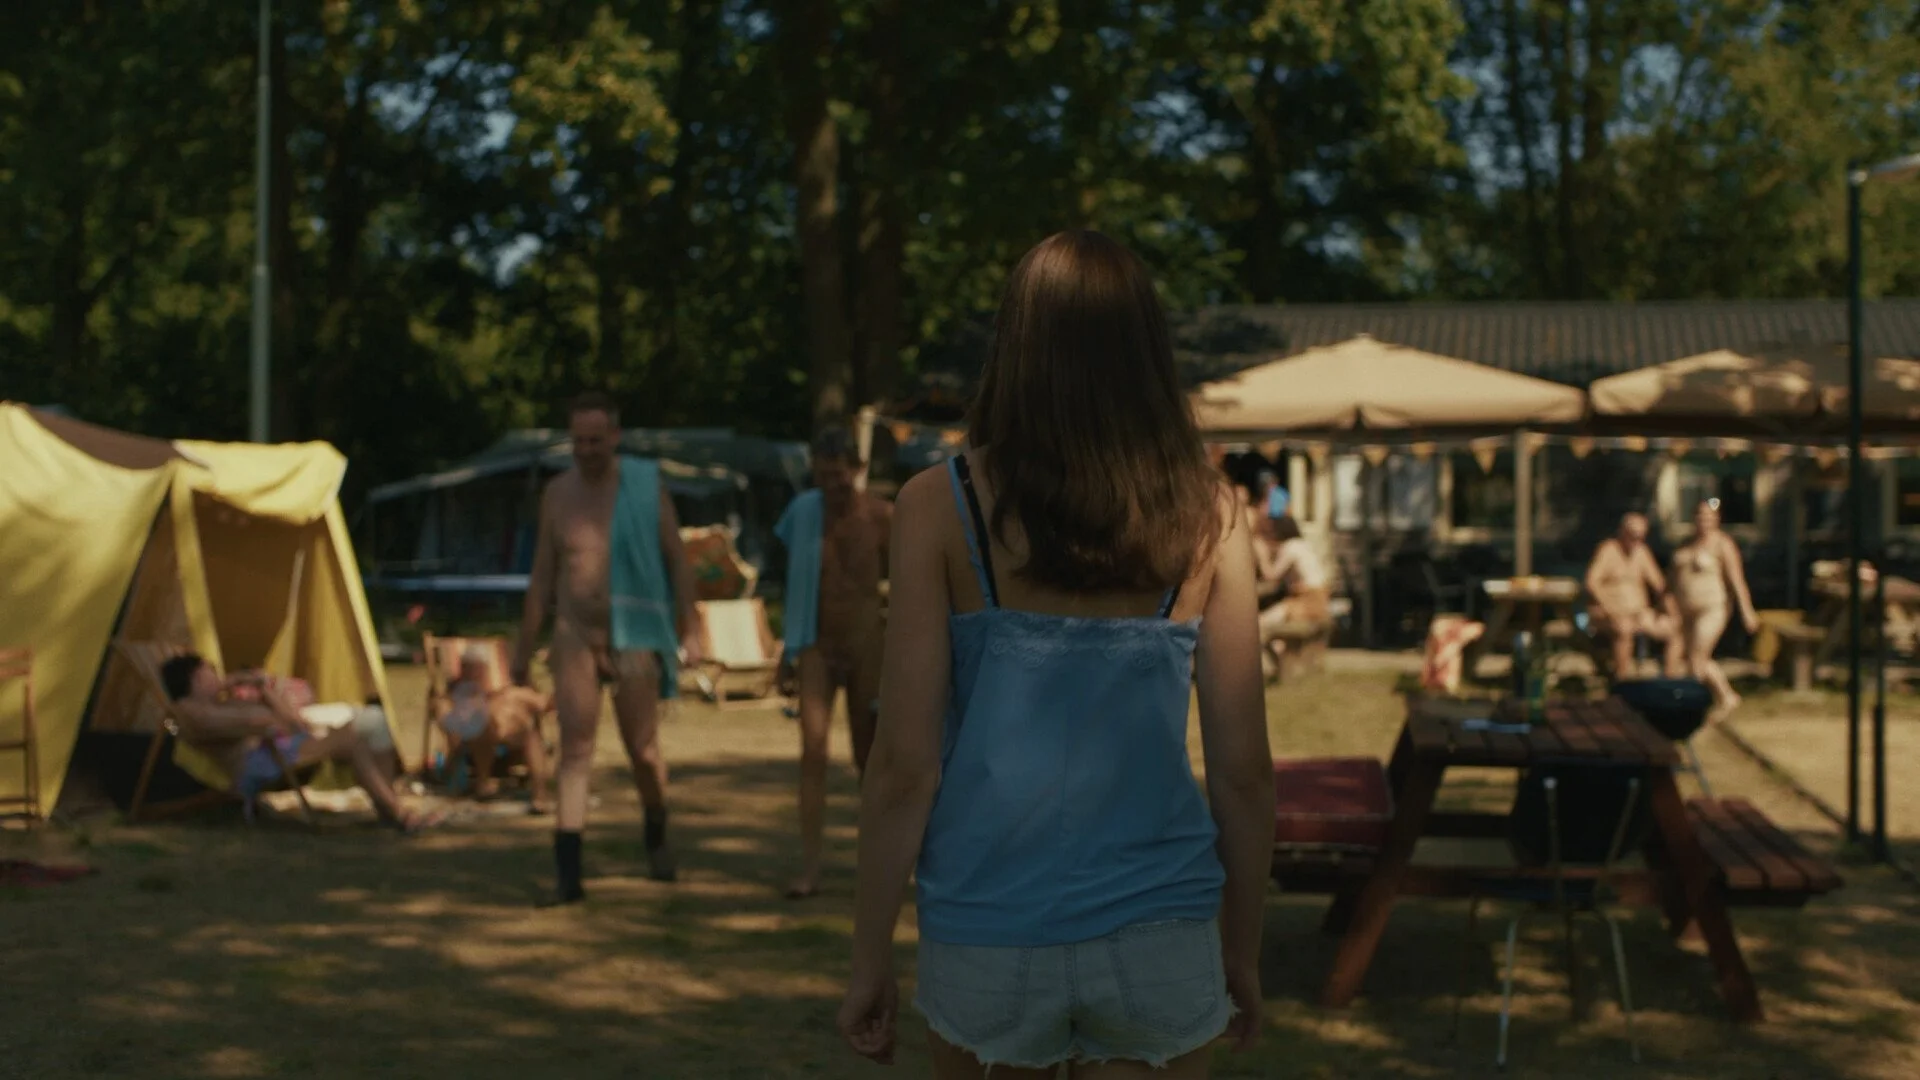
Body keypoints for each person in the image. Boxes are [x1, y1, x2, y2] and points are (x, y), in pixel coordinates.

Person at [837, 231, 1273, 1077]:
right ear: (1147, 351)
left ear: (1017, 344)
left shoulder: (938, 503)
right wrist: (1243, 952)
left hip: (986, 932)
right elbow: (1245, 772)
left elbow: (901, 766)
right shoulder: (1212, 515)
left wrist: (868, 961)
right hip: (1163, 929)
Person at [512, 391, 704, 904]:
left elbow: (676, 559)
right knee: (575, 750)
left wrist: (692, 628)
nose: (587, 450)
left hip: (634, 632)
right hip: (576, 633)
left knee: (642, 751)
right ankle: (568, 875)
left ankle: (657, 830)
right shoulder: (557, 495)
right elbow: (541, 579)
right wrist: (522, 649)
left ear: (615, 438)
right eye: (578, 440)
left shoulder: (643, 486)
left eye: (596, 440)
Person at [775, 427, 893, 900]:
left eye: (840, 475)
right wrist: (786, 652)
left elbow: (913, 580)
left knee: (871, 758)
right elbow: (795, 582)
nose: (833, 485)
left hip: (868, 644)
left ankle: (880, 865)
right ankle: (810, 868)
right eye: (823, 476)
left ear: (857, 470)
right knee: (813, 751)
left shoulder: (885, 516)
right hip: (816, 643)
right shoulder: (804, 514)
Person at [159, 654, 435, 832]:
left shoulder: (215, 704)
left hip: (272, 753)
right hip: (256, 766)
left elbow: (285, 722)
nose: (217, 677)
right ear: (195, 678)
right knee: (351, 737)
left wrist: (259, 689)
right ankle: (396, 813)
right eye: (211, 672)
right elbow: (269, 723)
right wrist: (259, 708)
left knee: (355, 737)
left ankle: (391, 810)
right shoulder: (190, 710)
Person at [439, 645, 554, 813]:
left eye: (479, 668)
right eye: (470, 667)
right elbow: (445, 718)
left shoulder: (508, 692)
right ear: (463, 669)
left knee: (530, 733)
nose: (476, 673)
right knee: (485, 723)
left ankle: (539, 795)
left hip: (510, 737)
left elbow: (545, 704)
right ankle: (483, 783)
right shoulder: (455, 693)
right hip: (474, 737)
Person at [1671, 499, 1759, 715]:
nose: (1704, 520)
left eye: (1709, 516)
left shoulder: (1723, 544)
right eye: (1700, 515)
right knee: (1693, 659)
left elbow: (1737, 581)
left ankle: (1705, 700)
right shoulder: (1687, 543)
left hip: (1713, 607)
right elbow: (1672, 578)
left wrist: (1747, 611)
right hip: (1686, 610)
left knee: (1699, 656)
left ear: (1717, 519)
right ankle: (1723, 696)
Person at [1584, 512, 1681, 680]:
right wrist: (1609, 608)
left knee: (1674, 629)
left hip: (1639, 613)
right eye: (1633, 535)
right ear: (1623, 532)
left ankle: (1669, 679)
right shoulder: (1608, 550)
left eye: (1641, 536)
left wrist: (1672, 611)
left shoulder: (1642, 552)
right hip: (1609, 614)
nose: (1637, 540)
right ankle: (1622, 681)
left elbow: (1660, 586)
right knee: (1624, 629)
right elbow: (1591, 582)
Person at [1255, 514, 1331, 673]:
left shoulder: (1290, 547)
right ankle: (1282, 668)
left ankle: (1279, 669)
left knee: (1260, 625)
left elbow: (1271, 576)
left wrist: (1261, 554)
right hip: (1318, 601)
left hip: (1306, 602)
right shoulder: (1302, 545)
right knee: (1271, 629)